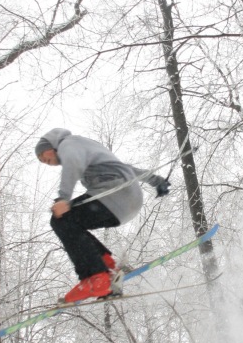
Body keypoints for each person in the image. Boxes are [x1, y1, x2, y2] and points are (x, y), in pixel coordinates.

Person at [36, 127, 170, 303]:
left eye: (43, 157)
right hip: (127, 202)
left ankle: (96, 278)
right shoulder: (87, 147)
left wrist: (63, 198)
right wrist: (156, 180)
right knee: (72, 221)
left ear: (50, 146)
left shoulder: (68, 144)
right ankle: (106, 266)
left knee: (61, 218)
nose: (45, 162)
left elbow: (72, 163)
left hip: (114, 196)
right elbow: (126, 168)